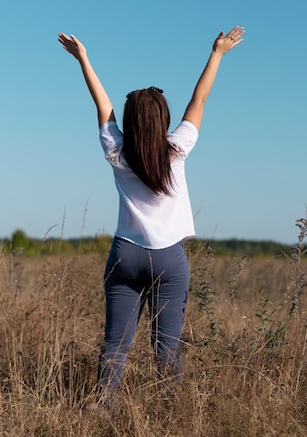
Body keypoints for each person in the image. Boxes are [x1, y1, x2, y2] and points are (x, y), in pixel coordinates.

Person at [58, 26, 244, 397]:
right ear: (163, 121)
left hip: (125, 254)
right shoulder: (177, 150)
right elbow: (199, 101)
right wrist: (217, 54)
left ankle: (102, 411)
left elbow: (103, 105)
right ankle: (169, 412)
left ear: (130, 121)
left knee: (115, 347)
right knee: (167, 349)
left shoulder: (117, 153)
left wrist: (84, 59)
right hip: (169, 259)